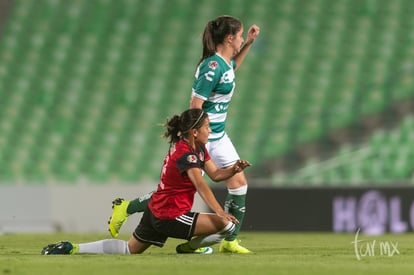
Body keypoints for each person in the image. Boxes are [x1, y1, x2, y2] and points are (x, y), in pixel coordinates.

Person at [108, 15, 260, 253]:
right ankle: (127, 208)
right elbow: (195, 104)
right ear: (229, 38)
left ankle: (229, 240)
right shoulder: (211, 67)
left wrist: (249, 43)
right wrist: (195, 141)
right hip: (204, 137)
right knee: (180, 188)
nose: (241, 39)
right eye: (240, 36)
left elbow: (231, 72)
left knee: (239, 183)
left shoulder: (224, 63)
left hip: (219, 135)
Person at [41, 109, 251, 255]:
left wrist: (233, 169)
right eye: (207, 127)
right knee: (227, 225)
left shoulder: (196, 148)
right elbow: (201, 185)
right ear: (195, 132)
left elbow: (215, 175)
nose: (210, 130)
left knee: (129, 250)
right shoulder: (186, 155)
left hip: (156, 209)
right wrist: (219, 211)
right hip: (171, 215)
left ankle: (72, 248)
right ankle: (191, 248)